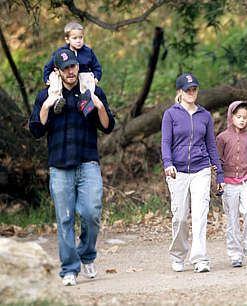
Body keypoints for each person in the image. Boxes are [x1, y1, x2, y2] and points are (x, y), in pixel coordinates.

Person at [29, 49, 115, 286]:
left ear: (79, 67)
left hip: (88, 162)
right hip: (59, 166)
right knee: (65, 219)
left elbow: (108, 127)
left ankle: (87, 256)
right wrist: (46, 105)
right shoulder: (45, 95)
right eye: (65, 68)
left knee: (91, 212)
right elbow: (36, 130)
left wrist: (98, 106)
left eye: (74, 67)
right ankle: (69, 268)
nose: (70, 71)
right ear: (57, 70)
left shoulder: (92, 91)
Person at [161, 73, 225, 273]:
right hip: (177, 171)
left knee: (200, 214)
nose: (191, 92)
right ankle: (178, 255)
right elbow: (166, 142)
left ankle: (199, 259)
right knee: (179, 216)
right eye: (187, 89)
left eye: (194, 89)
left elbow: (211, 145)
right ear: (179, 92)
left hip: (201, 169)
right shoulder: (170, 114)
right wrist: (168, 163)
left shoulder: (205, 115)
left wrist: (219, 173)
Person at [216, 101, 247, 268]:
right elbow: (217, 162)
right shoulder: (222, 138)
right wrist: (218, 182)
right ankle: (235, 254)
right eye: (238, 117)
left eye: (245, 117)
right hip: (228, 184)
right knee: (232, 219)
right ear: (231, 117)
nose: (242, 120)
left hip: (246, 182)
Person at [43, 22, 103, 115]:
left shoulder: (88, 52)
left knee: (87, 78)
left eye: (81, 37)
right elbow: (49, 67)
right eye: (75, 38)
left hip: (82, 75)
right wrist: (46, 78)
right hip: (65, 77)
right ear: (67, 40)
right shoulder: (61, 52)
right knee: (54, 76)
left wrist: (96, 77)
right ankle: (57, 99)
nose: (78, 41)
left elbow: (96, 67)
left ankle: (85, 100)